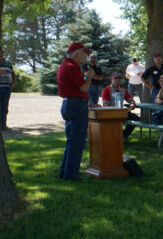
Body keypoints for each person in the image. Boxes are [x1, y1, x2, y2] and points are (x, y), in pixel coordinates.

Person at [57, 42, 92, 181]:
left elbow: (76, 89)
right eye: (84, 54)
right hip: (76, 106)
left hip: (69, 104)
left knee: (71, 142)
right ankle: (71, 175)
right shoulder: (71, 67)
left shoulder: (65, 65)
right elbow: (83, 88)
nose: (86, 57)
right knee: (77, 142)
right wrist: (89, 76)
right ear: (77, 53)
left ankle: (64, 173)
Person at [100, 72, 139, 142]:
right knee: (116, 119)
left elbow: (130, 99)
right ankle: (114, 138)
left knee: (135, 118)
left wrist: (132, 104)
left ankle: (124, 135)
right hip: (109, 112)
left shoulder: (123, 90)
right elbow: (105, 104)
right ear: (111, 79)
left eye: (118, 78)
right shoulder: (106, 90)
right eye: (115, 78)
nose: (117, 80)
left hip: (120, 112)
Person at [0, 50, 15, 130]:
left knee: (4, 107)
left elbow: (13, 73)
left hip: (6, 88)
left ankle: (3, 125)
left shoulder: (8, 63)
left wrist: (12, 83)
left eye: (2, 53)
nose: (1, 55)